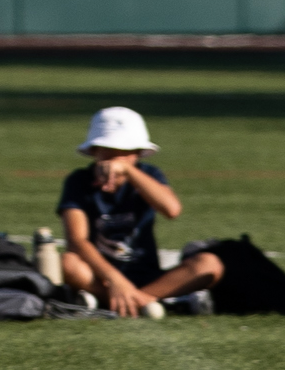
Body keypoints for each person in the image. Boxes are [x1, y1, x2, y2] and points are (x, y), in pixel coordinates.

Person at [57, 106, 221, 318]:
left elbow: (171, 209)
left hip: (149, 277)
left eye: (125, 152)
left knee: (209, 264)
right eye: (109, 151)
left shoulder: (148, 175)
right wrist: (115, 280)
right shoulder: (79, 181)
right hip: (102, 277)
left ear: (139, 153)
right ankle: (147, 303)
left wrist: (128, 171)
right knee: (67, 263)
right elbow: (77, 241)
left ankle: (127, 302)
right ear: (94, 151)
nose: (116, 159)